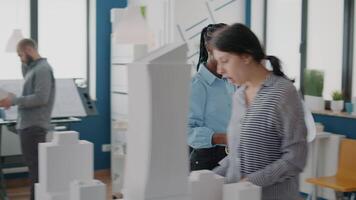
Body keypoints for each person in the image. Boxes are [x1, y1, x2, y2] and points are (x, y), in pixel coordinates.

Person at [211, 23, 307, 200]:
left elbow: (295, 158)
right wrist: (211, 177)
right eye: (217, 62)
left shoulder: (283, 93)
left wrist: (250, 182)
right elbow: (237, 157)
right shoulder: (239, 96)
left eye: (224, 61)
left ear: (246, 56)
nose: (219, 70)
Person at [0, 38, 55, 200]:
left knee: (36, 170)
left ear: (29, 50)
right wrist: (24, 61)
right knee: (34, 168)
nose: (20, 59)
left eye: (20, 55)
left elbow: (41, 98)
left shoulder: (43, 69)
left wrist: (14, 100)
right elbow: (28, 84)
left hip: (34, 126)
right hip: (27, 126)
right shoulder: (33, 69)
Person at [188, 23, 235, 171]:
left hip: (233, 156)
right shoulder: (196, 85)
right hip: (206, 161)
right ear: (209, 47)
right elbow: (187, 131)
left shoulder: (231, 81)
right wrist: (224, 138)